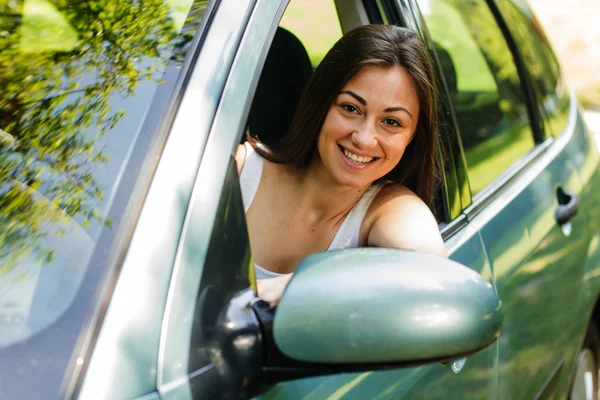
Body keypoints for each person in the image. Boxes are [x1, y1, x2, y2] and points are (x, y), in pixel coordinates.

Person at [235, 25, 447, 306]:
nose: (364, 138)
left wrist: (302, 284)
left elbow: (433, 275)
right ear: (320, 103)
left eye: (392, 122)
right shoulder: (237, 172)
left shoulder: (391, 209)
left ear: (412, 137)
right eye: (350, 108)